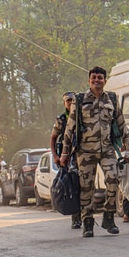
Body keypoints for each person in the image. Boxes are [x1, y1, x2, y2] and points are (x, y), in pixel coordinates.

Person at [60, 66, 129, 238]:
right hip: (85, 151)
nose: (96, 80)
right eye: (93, 77)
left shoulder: (112, 99)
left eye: (100, 78)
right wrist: (64, 152)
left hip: (107, 149)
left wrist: (128, 148)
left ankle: (108, 216)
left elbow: (121, 124)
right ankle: (88, 223)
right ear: (89, 80)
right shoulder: (79, 99)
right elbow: (70, 127)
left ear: (104, 81)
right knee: (87, 188)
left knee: (113, 180)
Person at [50, 91, 82, 229]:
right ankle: (76, 217)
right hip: (67, 157)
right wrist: (55, 156)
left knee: (84, 186)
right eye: (68, 101)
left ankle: (85, 215)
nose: (70, 103)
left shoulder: (82, 116)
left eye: (72, 100)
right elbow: (52, 138)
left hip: (82, 155)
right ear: (64, 103)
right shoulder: (62, 119)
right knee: (72, 186)